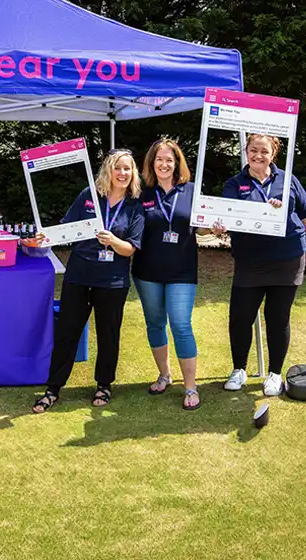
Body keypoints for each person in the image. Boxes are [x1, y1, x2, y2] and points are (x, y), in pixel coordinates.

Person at [213, 133, 306, 397]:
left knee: (277, 318)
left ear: (273, 154)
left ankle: (275, 374)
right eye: (253, 150)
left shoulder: (288, 181)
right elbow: (228, 214)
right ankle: (239, 369)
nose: (258, 156)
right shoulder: (234, 183)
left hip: (287, 257)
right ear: (246, 151)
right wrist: (220, 225)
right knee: (240, 317)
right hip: (250, 261)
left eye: (264, 151)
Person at [32, 149, 144, 413]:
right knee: (67, 333)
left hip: (112, 281)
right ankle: (53, 389)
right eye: (117, 167)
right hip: (79, 276)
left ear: (133, 173)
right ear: (108, 170)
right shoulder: (89, 196)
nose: (122, 173)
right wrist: (44, 235)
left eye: (127, 168)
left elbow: (131, 249)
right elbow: (66, 229)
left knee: (108, 336)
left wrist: (113, 241)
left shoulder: (135, 205)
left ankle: (104, 385)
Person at [132, 139, 201, 411]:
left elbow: (202, 227)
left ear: (177, 163)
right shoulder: (141, 194)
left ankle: (191, 387)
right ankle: (164, 375)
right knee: (155, 323)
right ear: (151, 163)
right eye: (158, 159)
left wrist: (215, 228)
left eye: (169, 159)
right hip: (147, 272)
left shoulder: (192, 191)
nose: (164, 164)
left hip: (182, 271)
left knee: (181, 325)